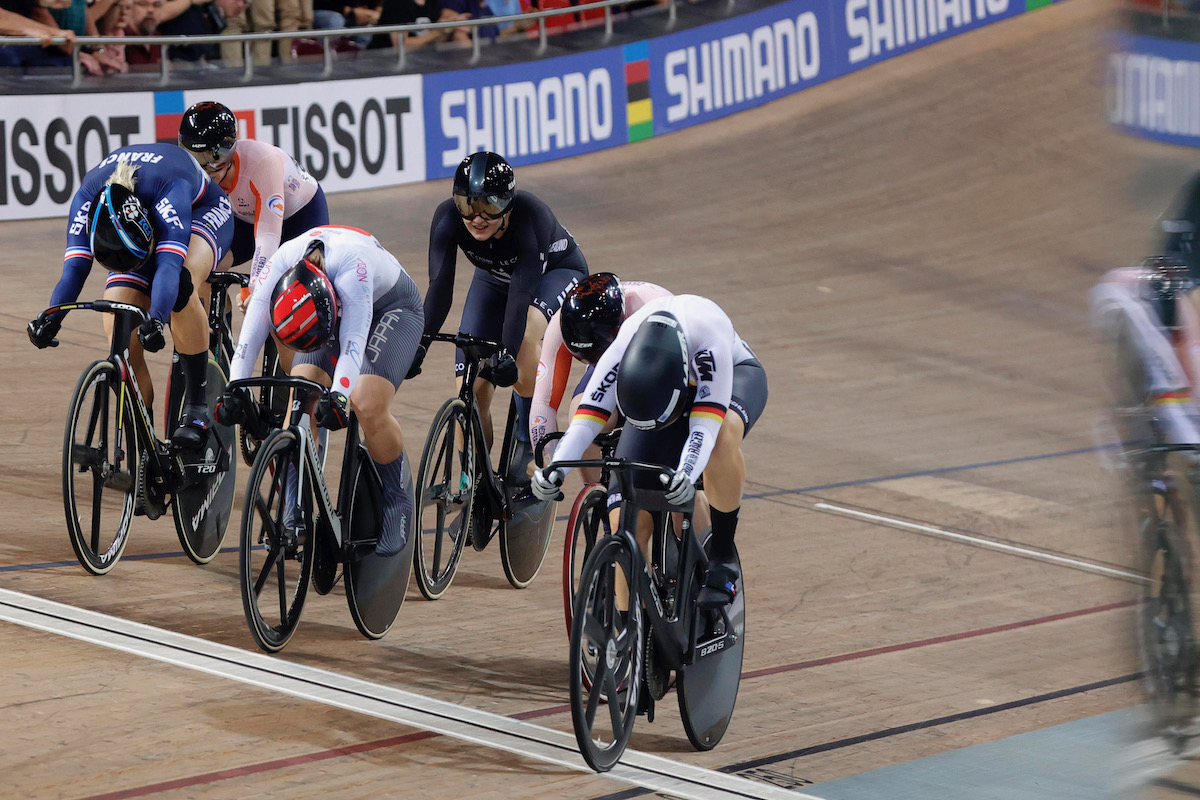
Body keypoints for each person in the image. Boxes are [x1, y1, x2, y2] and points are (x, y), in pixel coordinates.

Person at [532, 294, 769, 607]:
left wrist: (686, 474)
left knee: (722, 438)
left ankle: (722, 556)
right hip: (659, 397)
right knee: (626, 519)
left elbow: (703, 431)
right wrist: (555, 470)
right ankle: (631, 629)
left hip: (734, 376)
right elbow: (584, 423)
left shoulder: (709, 342)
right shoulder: (620, 348)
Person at [218, 225, 425, 557]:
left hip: (392, 309)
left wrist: (340, 395)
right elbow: (250, 335)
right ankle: (292, 506)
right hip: (325, 312)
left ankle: (396, 496)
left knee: (366, 401)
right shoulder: (280, 265)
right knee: (301, 394)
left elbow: (353, 343)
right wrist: (234, 387)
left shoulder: (352, 271)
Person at [28, 143, 235, 451]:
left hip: (201, 210)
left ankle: (196, 408)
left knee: (179, 283)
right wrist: (52, 316)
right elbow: (74, 270)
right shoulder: (87, 197)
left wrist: (158, 319)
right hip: (136, 217)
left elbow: (167, 265)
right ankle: (145, 443)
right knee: (117, 324)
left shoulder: (171, 187)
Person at [411, 150, 588, 484]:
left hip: (555, 273)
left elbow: (521, 297)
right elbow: (439, 290)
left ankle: (528, 435)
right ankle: (475, 478)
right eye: (467, 205)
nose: (477, 218)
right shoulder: (447, 219)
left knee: (522, 342)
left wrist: (504, 353)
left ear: (507, 204)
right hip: (493, 278)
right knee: (470, 387)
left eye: (489, 207)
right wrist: (419, 345)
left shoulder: (528, 217)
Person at [178, 101, 328, 318]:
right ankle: (218, 344)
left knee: (300, 291)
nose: (203, 169)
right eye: (194, 156)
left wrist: (256, 284)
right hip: (247, 220)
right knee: (202, 270)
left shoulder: (263, 163)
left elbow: (268, 236)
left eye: (211, 159)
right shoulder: (199, 172)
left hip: (301, 216)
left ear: (227, 151)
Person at [530, 272, 671, 479]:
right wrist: (545, 459)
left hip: (657, 355)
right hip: (612, 355)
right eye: (585, 357)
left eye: (596, 354)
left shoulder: (652, 310)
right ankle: (595, 498)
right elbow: (543, 402)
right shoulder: (560, 324)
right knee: (580, 418)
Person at [1091, 256, 1200, 449]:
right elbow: (1184, 357)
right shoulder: (1173, 303)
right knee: (1168, 385)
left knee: (1163, 385)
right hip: (1128, 314)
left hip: (1113, 305)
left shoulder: (1165, 296)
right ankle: (1189, 447)